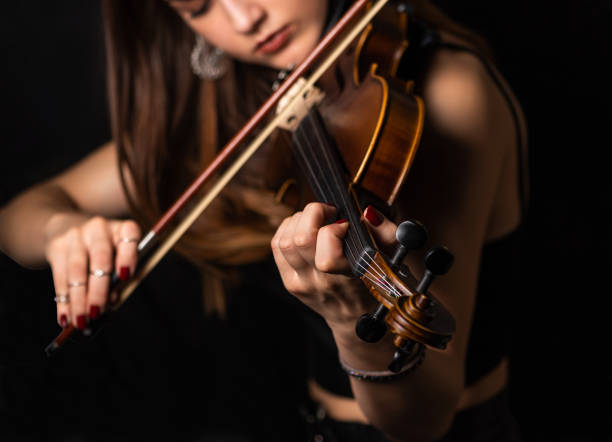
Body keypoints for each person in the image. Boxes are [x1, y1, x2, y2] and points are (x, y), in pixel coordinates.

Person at [0, 0, 527, 441]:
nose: (245, 18)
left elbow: (422, 420)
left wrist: (351, 322)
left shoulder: (445, 93)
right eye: (199, 8)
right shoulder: (263, 105)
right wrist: (59, 232)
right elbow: (16, 218)